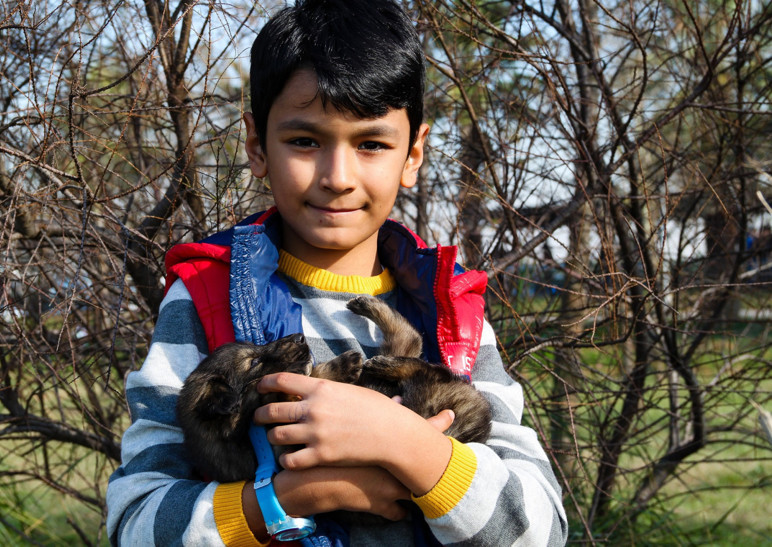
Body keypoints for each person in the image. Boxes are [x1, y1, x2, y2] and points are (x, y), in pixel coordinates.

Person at [106, 0, 567, 545]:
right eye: (305, 141)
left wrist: (407, 445)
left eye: (371, 144)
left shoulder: (454, 313)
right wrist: (295, 497)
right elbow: (134, 521)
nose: (338, 177)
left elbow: (538, 529)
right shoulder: (204, 297)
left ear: (413, 154)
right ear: (257, 145)